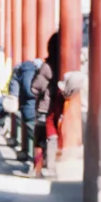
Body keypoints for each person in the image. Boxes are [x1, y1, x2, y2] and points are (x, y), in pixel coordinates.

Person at [29, 32, 63, 177]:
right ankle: (53, 164)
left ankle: (38, 167)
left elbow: (34, 88)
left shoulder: (46, 67)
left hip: (45, 107)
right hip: (62, 106)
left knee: (40, 137)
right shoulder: (65, 66)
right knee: (57, 135)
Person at [9, 50, 40, 165]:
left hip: (25, 107)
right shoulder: (29, 72)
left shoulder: (19, 72)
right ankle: (35, 161)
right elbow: (29, 90)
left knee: (32, 132)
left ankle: (28, 153)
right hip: (31, 107)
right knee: (36, 134)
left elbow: (13, 89)